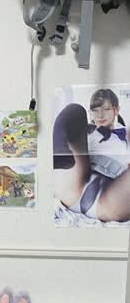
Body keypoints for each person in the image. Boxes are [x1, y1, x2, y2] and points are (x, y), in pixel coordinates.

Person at [53, 88, 130, 223]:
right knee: (75, 110)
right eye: (95, 110)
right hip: (76, 184)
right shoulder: (87, 130)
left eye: (106, 109)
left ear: (117, 110)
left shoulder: (125, 133)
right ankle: (59, 151)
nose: (100, 115)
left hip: (110, 200)